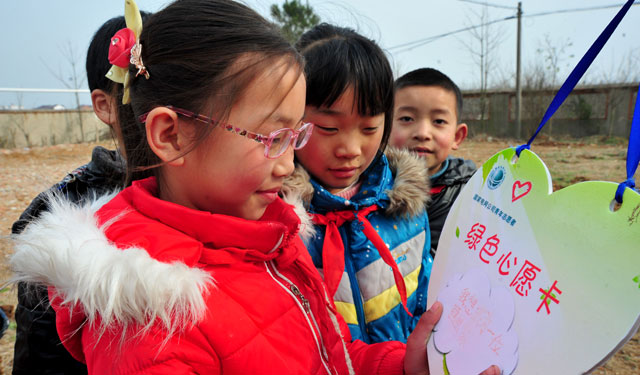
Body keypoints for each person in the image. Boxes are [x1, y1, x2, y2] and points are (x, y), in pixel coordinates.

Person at [11, 1, 503, 374]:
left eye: (297, 136)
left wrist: (400, 364)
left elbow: (321, 352)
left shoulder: (267, 233)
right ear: (169, 134)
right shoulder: (153, 325)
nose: (289, 162)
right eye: (272, 138)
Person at [10, 12, 150, 375]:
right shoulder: (57, 220)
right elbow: (42, 358)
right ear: (104, 106)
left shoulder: (222, 194)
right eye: (144, 91)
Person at [282, 24, 433, 345]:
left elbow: (425, 295)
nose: (350, 149)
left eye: (368, 128)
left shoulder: (404, 204)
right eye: (328, 127)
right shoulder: (275, 217)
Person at [390, 68, 476, 258]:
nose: (422, 133)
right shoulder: (367, 187)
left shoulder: (474, 195)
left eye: (438, 121)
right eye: (406, 119)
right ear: (384, 126)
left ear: (457, 136)